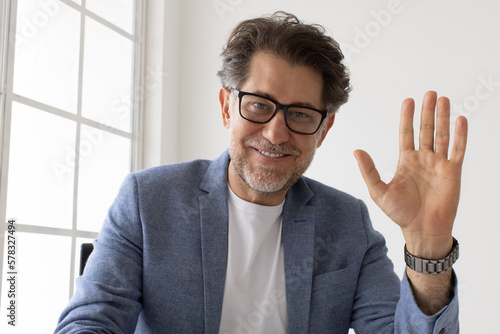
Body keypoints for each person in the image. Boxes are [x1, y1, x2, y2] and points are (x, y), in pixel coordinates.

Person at [55, 11, 467, 334]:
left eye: (301, 114)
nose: (275, 132)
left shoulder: (347, 225)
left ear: (323, 131)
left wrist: (428, 248)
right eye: (258, 104)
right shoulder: (148, 201)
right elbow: (90, 322)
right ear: (226, 106)